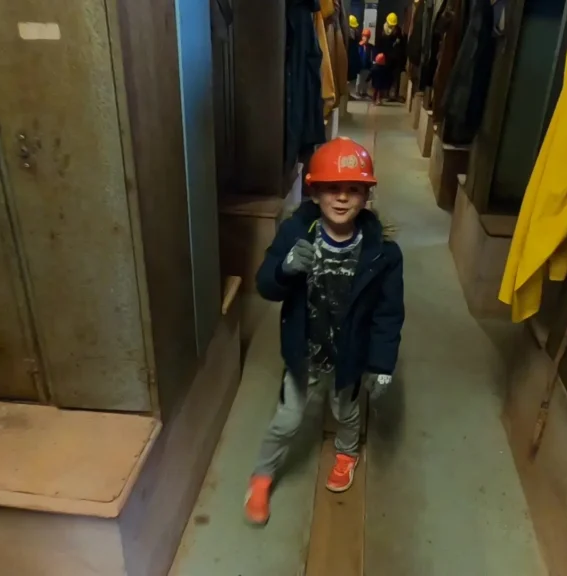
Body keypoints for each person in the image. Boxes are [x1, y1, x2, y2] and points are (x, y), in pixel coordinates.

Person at [244, 138, 405, 525]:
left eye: (353, 189)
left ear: (366, 195)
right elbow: (265, 285)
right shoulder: (295, 234)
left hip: (350, 353)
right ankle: (262, 475)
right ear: (314, 193)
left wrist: (382, 364)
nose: (342, 197)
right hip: (305, 350)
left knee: (345, 411)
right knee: (287, 419)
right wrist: (285, 269)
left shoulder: (383, 252)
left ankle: (347, 453)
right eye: (332, 188)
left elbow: (388, 312)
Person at [377, 13, 406, 101]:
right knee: (385, 76)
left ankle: (393, 94)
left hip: (396, 59)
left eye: (394, 25)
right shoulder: (383, 31)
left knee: (395, 77)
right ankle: (384, 93)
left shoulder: (398, 32)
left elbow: (402, 46)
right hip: (385, 58)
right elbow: (380, 45)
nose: (392, 26)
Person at [355, 28, 374, 99]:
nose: (365, 38)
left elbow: (371, 55)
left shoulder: (370, 46)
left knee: (366, 80)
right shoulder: (359, 46)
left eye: (367, 37)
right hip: (360, 66)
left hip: (367, 65)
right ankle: (357, 92)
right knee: (359, 80)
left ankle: (364, 92)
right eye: (364, 36)